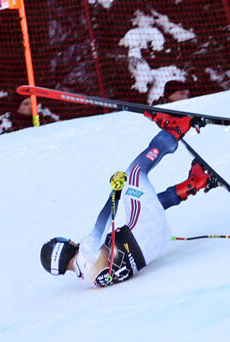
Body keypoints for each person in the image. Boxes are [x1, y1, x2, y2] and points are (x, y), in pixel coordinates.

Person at [39, 112, 218, 287]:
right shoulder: (86, 251)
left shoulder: (87, 279)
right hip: (143, 232)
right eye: (64, 241)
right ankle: (174, 131)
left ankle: (195, 183)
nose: (70, 240)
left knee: (143, 202)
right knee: (132, 175)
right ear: (62, 251)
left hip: (155, 246)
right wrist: (116, 190)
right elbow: (104, 220)